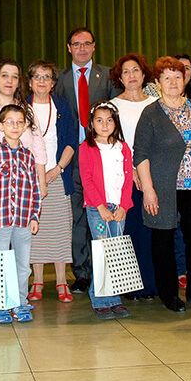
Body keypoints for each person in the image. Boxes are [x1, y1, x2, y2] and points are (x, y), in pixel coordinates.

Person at [134, 56, 191, 312]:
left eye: (178, 76)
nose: (173, 82)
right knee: (163, 240)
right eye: (166, 78)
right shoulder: (150, 113)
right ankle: (168, 294)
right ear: (157, 83)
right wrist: (148, 190)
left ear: (185, 80)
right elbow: (140, 154)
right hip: (164, 188)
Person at [54, 27, 117, 293]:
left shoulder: (108, 76)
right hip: (73, 156)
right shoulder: (59, 80)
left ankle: (107, 271)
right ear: (68, 47)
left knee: (104, 211)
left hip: (103, 154)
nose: (82, 48)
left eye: (87, 43)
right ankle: (81, 272)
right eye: (76, 44)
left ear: (94, 46)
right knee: (78, 215)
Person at [0, 104, 42, 324]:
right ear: (1, 126)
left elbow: (35, 188)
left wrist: (35, 215)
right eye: (10, 122)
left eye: (19, 122)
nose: (15, 126)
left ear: (25, 126)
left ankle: (19, 302)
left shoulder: (28, 156)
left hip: (23, 220)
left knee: (22, 266)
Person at [26, 61, 77, 303]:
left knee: (59, 230)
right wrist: (35, 174)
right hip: (28, 178)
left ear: (53, 83)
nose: (42, 81)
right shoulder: (22, 107)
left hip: (57, 175)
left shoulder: (63, 106)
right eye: (37, 77)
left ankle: (61, 281)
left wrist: (57, 169)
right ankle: (36, 281)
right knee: (34, 230)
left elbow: (71, 143)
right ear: (29, 82)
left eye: (47, 77)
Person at [109, 53, 158, 300]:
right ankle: (130, 286)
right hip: (125, 176)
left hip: (154, 175)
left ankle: (153, 284)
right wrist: (133, 169)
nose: (131, 75)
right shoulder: (112, 106)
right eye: (126, 72)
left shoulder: (157, 103)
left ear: (144, 74)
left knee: (153, 229)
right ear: (119, 78)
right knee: (130, 230)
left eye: (135, 70)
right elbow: (113, 142)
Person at [79, 101, 133, 319]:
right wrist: (100, 206)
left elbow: (128, 179)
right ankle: (100, 299)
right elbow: (87, 180)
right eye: (99, 120)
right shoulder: (86, 148)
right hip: (97, 208)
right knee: (102, 252)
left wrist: (124, 206)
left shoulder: (123, 147)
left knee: (116, 253)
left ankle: (115, 299)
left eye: (109, 120)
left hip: (118, 208)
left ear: (115, 123)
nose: (104, 125)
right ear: (92, 123)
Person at [0, 59, 47, 199]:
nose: (10, 81)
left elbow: (39, 149)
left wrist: (42, 183)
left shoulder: (27, 111)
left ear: (19, 82)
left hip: (25, 186)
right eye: (5, 75)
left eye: (15, 77)